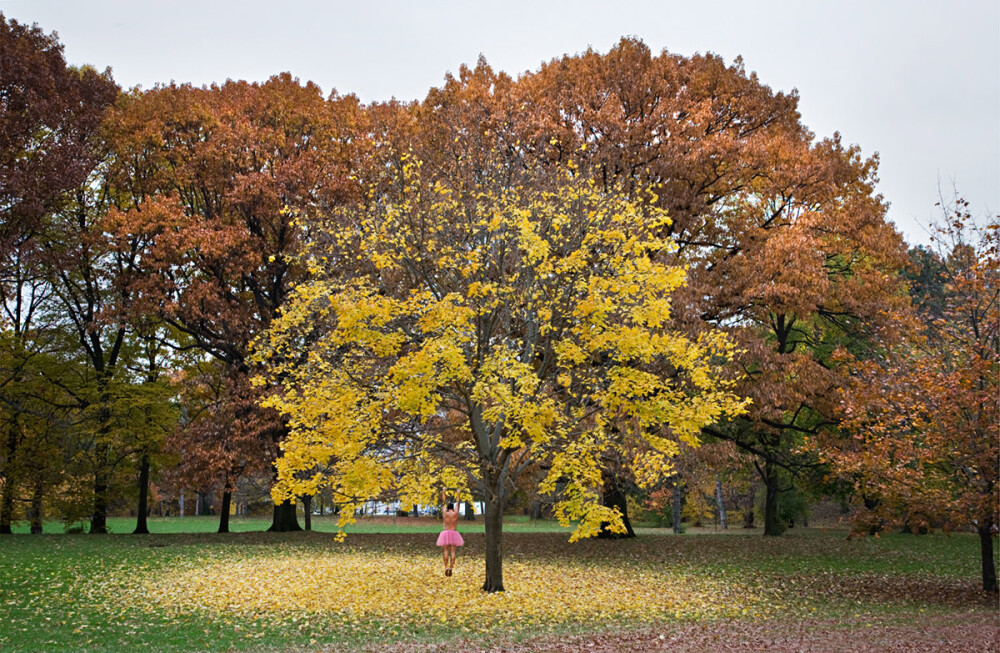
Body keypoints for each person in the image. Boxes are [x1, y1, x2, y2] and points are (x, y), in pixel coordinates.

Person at [437, 489, 464, 576]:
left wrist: (444, 491)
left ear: (448, 508)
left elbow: (443, 502)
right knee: (452, 551)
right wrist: (458, 493)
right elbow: (458, 503)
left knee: (445, 551)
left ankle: (446, 567)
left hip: (445, 533)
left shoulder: (445, 513)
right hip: (453, 532)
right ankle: (451, 567)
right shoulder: (455, 513)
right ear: (453, 507)